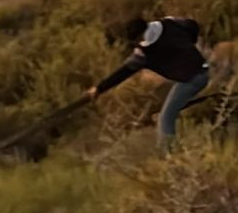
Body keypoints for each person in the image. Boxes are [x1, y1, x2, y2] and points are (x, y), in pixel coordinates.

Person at [88, 14, 210, 147]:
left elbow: (123, 72)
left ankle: (169, 155)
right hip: (202, 69)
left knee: (165, 117)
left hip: (192, 80)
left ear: (138, 37)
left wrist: (99, 88)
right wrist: (188, 47)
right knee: (165, 97)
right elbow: (192, 25)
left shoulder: (145, 53)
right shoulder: (169, 23)